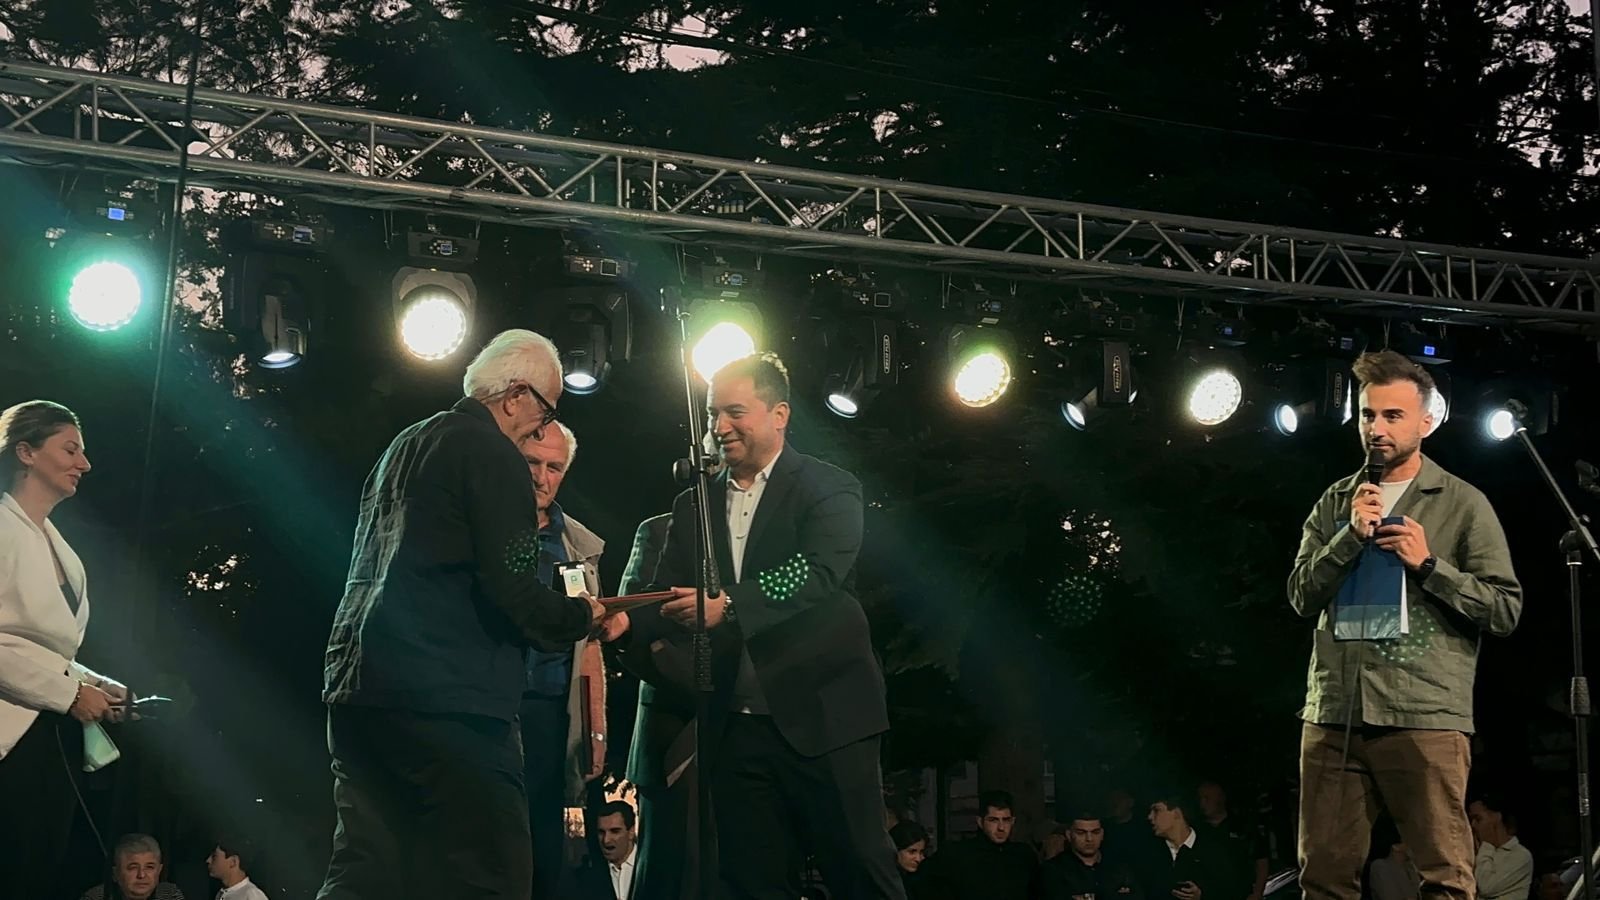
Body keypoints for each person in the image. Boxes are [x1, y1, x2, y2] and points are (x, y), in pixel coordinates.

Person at [316, 329, 607, 900]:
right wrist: (580, 616)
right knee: (490, 877)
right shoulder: (493, 455)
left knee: (365, 875)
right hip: (450, 706)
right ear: (516, 395)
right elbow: (514, 585)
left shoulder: (404, 445)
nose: (541, 429)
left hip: (358, 693)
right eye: (546, 412)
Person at [607, 353, 903, 900]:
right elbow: (666, 593)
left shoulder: (829, 487)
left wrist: (732, 604)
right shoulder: (693, 506)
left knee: (860, 868)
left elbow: (816, 572)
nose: (720, 426)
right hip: (736, 725)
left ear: (779, 414)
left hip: (827, 717)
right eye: (713, 413)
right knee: (750, 879)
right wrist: (622, 623)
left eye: (735, 412)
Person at [1289, 349, 1522, 900]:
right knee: (1323, 879)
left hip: (1423, 713)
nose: (1376, 429)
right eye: (1368, 414)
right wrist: (1348, 538)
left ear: (1427, 421)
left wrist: (1429, 564)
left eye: (1393, 415)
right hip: (1336, 714)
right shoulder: (1336, 502)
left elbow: (1504, 608)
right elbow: (1300, 595)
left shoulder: (1462, 503)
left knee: (1444, 878)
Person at [0, 400, 133, 900]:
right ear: (26, 452)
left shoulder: (64, 551)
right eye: (71, 449)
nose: (85, 463)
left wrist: (94, 683)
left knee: (38, 871)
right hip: (9, 736)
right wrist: (69, 694)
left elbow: (44, 649)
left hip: (48, 736)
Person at [518, 422, 611, 898]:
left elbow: (589, 645)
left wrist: (595, 729)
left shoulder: (579, 545)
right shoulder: (478, 529)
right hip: (488, 704)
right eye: (532, 463)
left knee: (544, 845)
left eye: (554, 467)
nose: (542, 477)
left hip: (551, 713)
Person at [923, 790, 1039, 900]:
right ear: (980, 822)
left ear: (1012, 821)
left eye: (1006, 820)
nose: (1001, 827)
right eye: (993, 820)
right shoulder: (958, 854)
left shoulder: (1024, 856)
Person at [1140, 792, 1243, 900]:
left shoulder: (1215, 850)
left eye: (1156, 810)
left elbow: (1232, 892)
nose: (1150, 817)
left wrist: (1203, 896)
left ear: (1177, 813)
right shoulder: (1148, 853)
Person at [1039, 810, 1142, 900]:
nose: (1089, 839)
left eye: (1095, 832)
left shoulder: (1120, 868)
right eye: (1081, 833)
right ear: (1069, 835)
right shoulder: (1053, 871)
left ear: (1102, 834)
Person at [78, 833, 186, 900]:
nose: (141, 875)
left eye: (149, 867)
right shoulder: (96, 897)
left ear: (159, 870)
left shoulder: (169, 894)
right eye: (133, 867)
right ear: (115, 874)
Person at [1469, 796, 1533, 900]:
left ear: (1496, 817)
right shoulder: (1477, 851)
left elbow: (1486, 887)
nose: (1473, 825)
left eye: (1478, 819)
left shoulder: (1520, 855)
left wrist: (1487, 844)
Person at [578, 801, 640, 900]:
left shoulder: (654, 869)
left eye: (615, 831)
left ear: (631, 832)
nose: (606, 840)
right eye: (601, 832)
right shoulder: (588, 878)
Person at [888, 820, 929, 900]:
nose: (918, 859)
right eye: (912, 852)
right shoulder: (885, 880)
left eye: (921, 852)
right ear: (896, 849)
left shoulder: (920, 879)